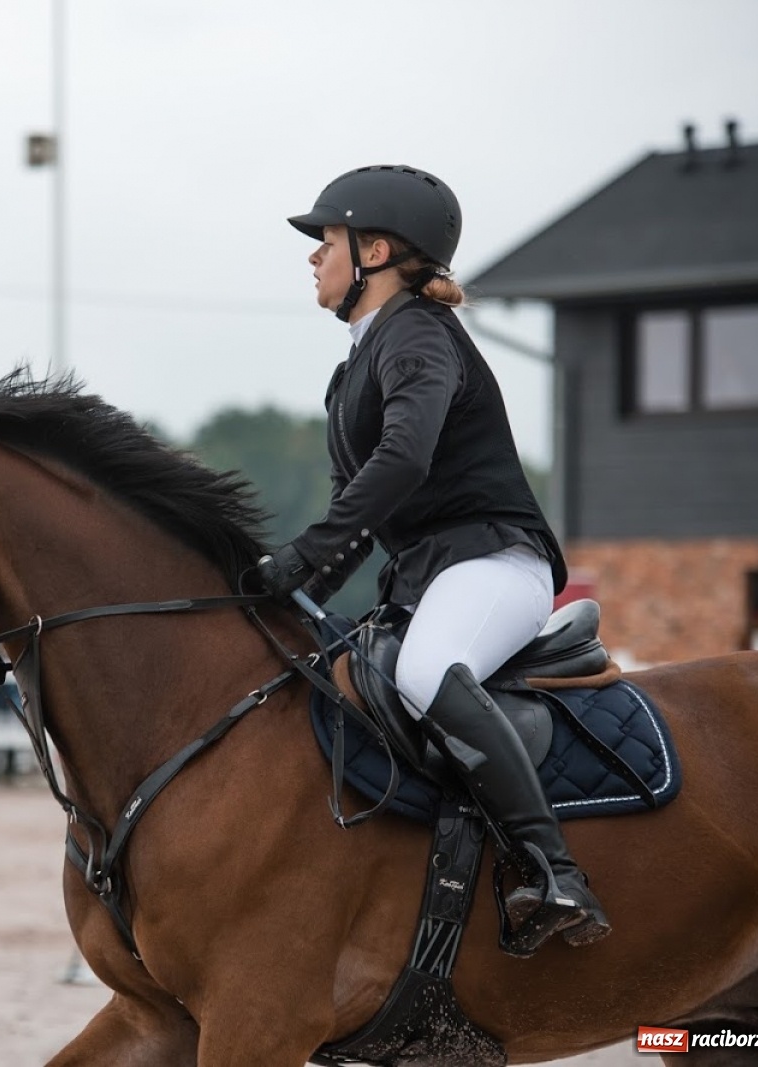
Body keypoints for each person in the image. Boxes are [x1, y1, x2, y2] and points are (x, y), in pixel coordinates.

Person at [257, 164, 609, 954]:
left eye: (329, 240)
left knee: (424, 672)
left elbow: (405, 461)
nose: (315, 255)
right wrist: (291, 588)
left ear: (375, 251)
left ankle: (554, 870)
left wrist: (303, 552)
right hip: (426, 578)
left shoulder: (418, 333)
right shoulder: (351, 371)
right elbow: (358, 516)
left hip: (495, 564)